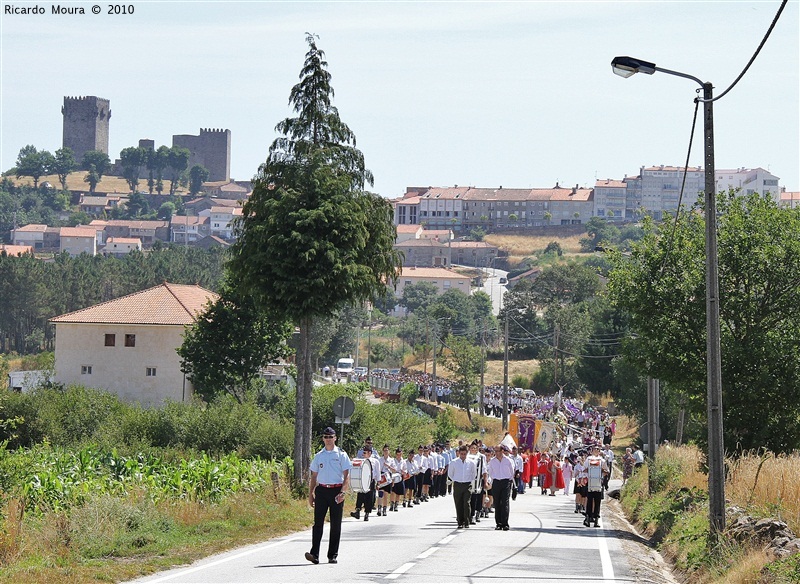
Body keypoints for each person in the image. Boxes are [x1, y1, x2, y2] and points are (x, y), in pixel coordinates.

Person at [306, 427, 351, 565]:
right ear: (323, 439)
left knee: (335, 524)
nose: (328, 439)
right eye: (326, 437)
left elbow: (347, 475)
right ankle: (315, 554)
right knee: (318, 523)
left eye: (331, 437)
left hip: (336, 490)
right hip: (322, 491)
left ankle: (332, 555)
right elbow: (314, 476)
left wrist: (343, 491)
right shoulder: (319, 455)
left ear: (335, 438)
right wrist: (310, 494)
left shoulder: (341, 454)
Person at [487, 444, 515, 531]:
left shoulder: (508, 460)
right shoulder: (492, 461)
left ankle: (505, 523)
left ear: (502, 451)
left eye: (498, 451)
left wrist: (508, 481)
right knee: (497, 503)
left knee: (505, 502)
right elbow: (490, 472)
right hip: (496, 482)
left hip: (506, 482)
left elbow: (512, 472)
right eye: (495, 451)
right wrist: (493, 480)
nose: (496, 453)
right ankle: (498, 523)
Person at [448, 445, 477, 528]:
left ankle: (467, 521)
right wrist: (455, 479)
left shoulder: (471, 463)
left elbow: (474, 473)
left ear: (467, 453)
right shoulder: (454, 462)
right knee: (458, 503)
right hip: (457, 484)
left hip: (467, 484)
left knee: (466, 503)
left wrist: (469, 480)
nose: (463, 456)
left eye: (464, 454)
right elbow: (450, 473)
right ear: (459, 453)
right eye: (461, 454)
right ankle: (460, 522)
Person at [583, 445, 609, 528]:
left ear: (599, 451)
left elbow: (606, 471)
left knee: (597, 502)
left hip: (598, 484)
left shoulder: (602, 460)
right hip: (590, 483)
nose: (596, 450)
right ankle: (587, 518)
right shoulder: (588, 459)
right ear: (592, 450)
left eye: (598, 449)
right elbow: (584, 469)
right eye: (594, 449)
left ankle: (596, 520)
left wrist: (603, 471)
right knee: (589, 501)